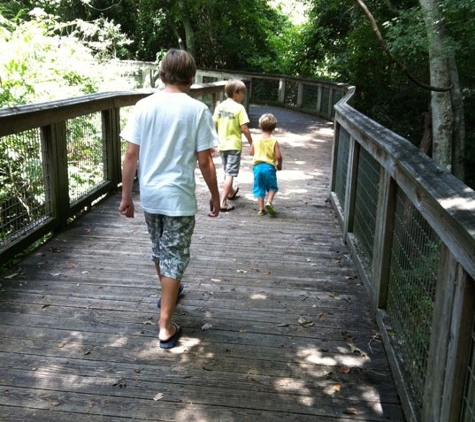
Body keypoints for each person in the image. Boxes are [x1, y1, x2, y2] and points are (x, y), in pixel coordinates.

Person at [118, 49, 220, 349]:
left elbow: (131, 155)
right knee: (174, 256)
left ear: (161, 74)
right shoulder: (197, 110)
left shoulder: (143, 106)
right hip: (179, 197)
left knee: (160, 250)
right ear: (192, 77)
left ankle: (169, 292)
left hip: (150, 195)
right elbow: (204, 161)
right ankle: (165, 325)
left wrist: (126, 196)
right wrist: (215, 196)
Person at [213, 79, 253, 211]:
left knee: (227, 171)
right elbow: (244, 128)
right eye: (243, 93)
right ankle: (222, 202)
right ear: (236, 93)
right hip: (234, 145)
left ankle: (231, 192)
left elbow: (214, 125)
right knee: (230, 173)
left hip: (222, 145)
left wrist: (212, 142)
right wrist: (252, 143)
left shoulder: (220, 106)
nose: (244, 96)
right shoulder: (239, 108)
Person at [250, 113, 283, 216]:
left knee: (260, 187)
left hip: (257, 168)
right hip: (269, 168)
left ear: (260, 126)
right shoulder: (274, 141)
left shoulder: (256, 140)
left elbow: (251, 152)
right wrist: (279, 165)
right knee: (272, 186)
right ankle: (269, 201)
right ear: (273, 128)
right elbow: (278, 156)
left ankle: (261, 209)